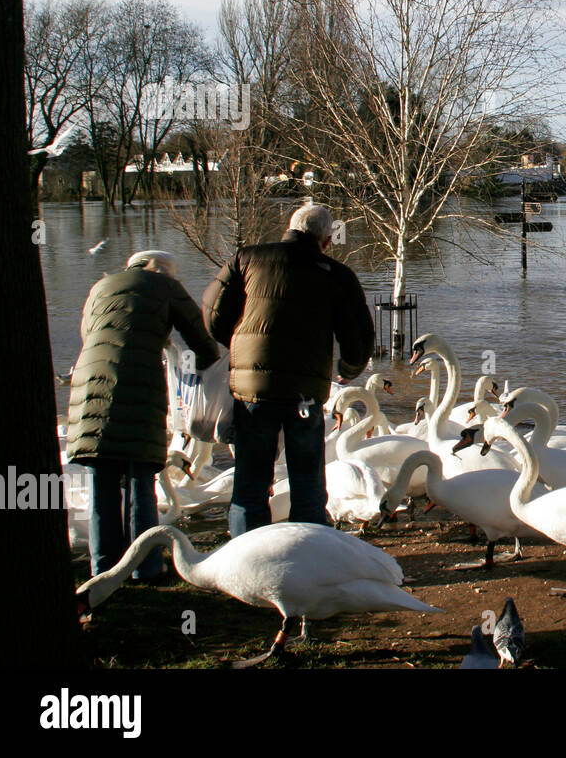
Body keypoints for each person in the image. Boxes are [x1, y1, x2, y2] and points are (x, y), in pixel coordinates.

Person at [202, 204, 374, 536]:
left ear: (288, 227)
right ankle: (308, 554)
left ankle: (247, 559)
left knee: (251, 478)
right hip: (304, 396)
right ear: (325, 240)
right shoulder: (336, 275)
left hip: (253, 391)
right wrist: (349, 369)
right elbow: (358, 336)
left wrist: (240, 347)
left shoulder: (245, 259)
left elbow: (212, 315)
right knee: (307, 476)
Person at [67, 250, 220, 580]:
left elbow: (89, 335)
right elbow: (201, 341)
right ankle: (145, 567)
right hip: (137, 386)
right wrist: (209, 374)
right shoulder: (165, 286)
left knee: (101, 480)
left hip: (88, 387)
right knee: (140, 478)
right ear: (166, 271)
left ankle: (104, 570)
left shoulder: (100, 287)